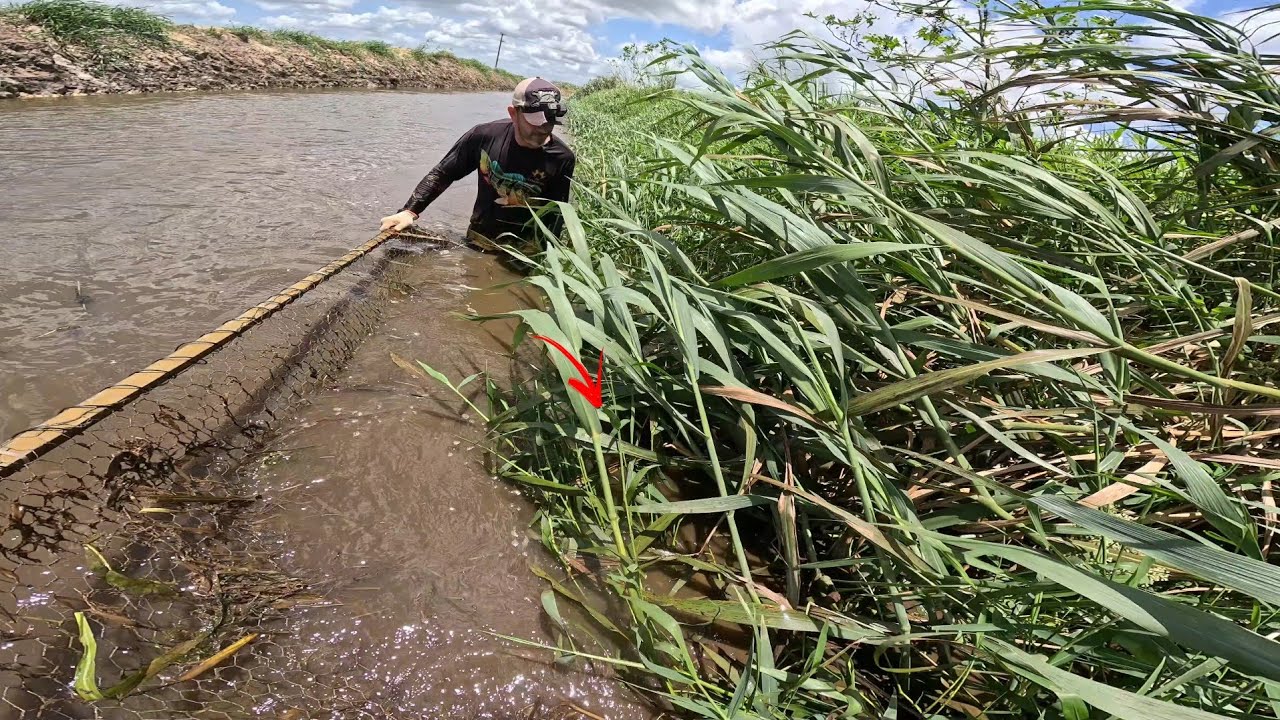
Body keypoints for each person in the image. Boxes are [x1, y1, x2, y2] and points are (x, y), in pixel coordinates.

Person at [379, 77, 576, 258]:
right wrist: (409, 211)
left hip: (526, 251)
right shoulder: (483, 136)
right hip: (479, 239)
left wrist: (548, 258)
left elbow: (556, 214)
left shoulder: (563, 158)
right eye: (535, 122)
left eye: (550, 121)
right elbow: (444, 173)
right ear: (513, 113)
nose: (543, 129)